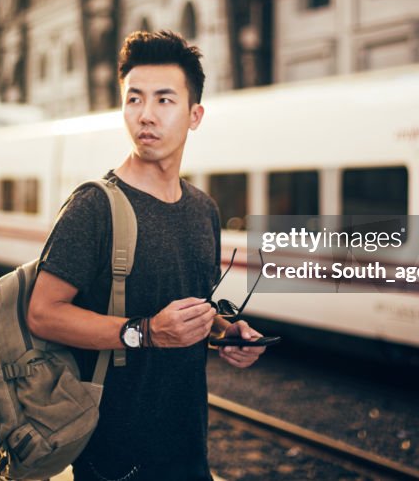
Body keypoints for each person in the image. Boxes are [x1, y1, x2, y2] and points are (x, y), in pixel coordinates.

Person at [27, 30, 266, 481]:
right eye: (134, 99)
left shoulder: (203, 210)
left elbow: (189, 306)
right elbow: (42, 314)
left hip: (189, 452)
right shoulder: (93, 207)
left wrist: (222, 332)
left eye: (163, 100)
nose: (146, 116)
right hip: (113, 459)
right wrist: (146, 333)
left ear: (195, 115)